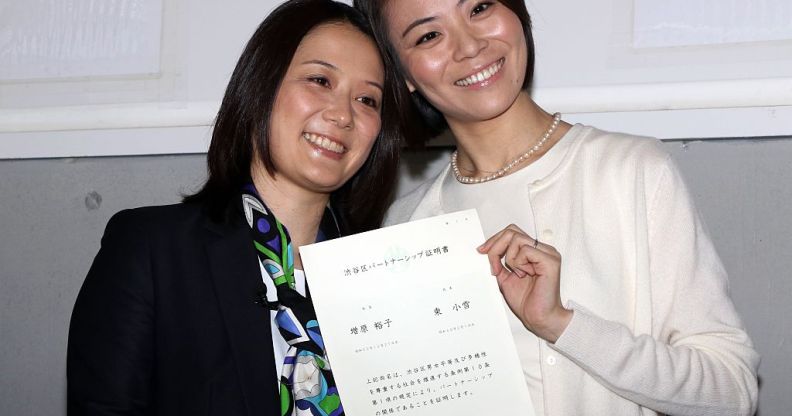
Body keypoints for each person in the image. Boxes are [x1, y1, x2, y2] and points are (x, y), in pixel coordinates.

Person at [354, 0, 760, 415]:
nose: (469, 46)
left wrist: (562, 324)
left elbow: (730, 393)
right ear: (402, 76)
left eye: (478, 8)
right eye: (429, 35)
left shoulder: (631, 170)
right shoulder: (405, 225)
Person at [66, 1, 413, 414]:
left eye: (367, 100)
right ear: (260, 87)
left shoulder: (387, 278)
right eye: (320, 80)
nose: (342, 115)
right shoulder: (151, 250)